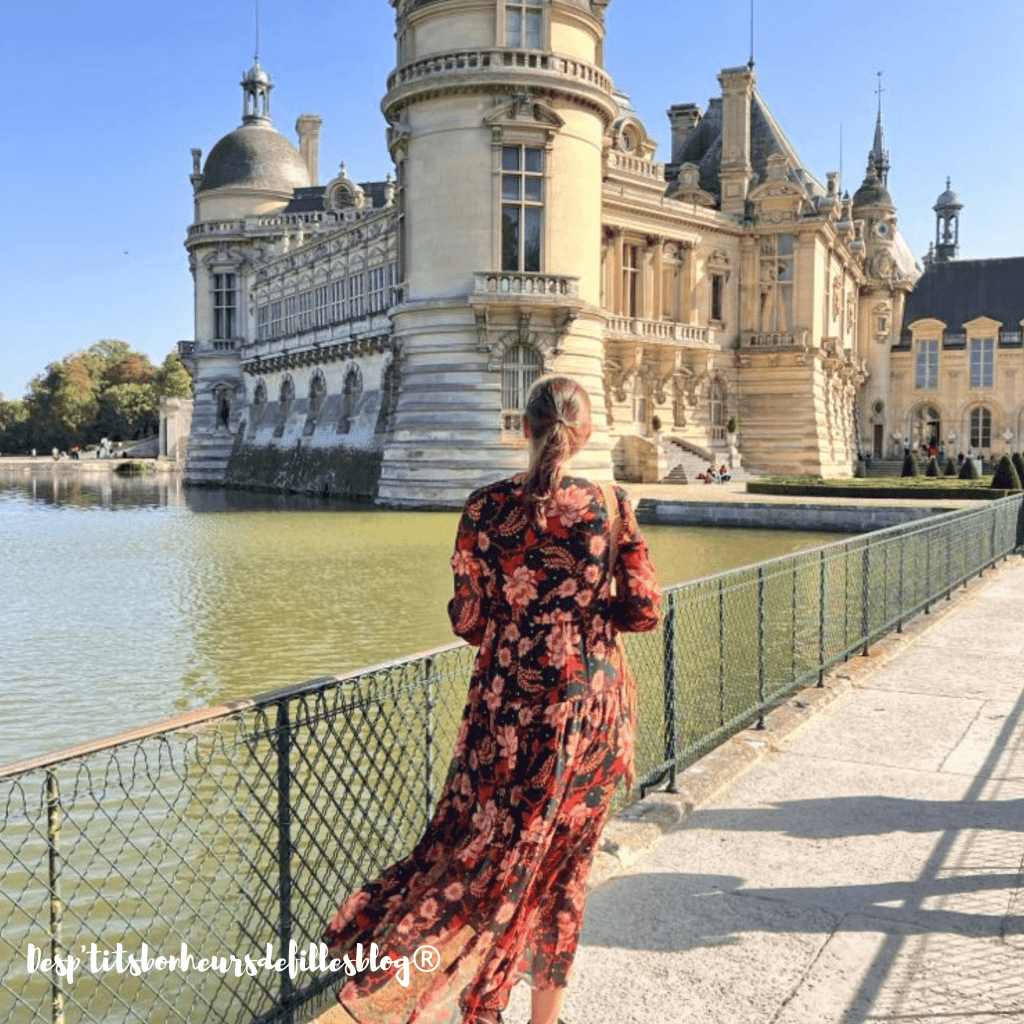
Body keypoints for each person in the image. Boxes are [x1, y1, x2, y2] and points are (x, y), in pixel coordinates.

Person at [323, 375, 661, 1024]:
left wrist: (519, 628)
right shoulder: (612, 506)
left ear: (524, 428)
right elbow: (644, 610)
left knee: (474, 855)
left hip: (503, 721)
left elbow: (466, 619)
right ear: (585, 435)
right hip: (589, 717)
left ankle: (431, 991)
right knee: (562, 876)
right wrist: (587, 618)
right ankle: (543, 1019)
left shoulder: (482, 509)